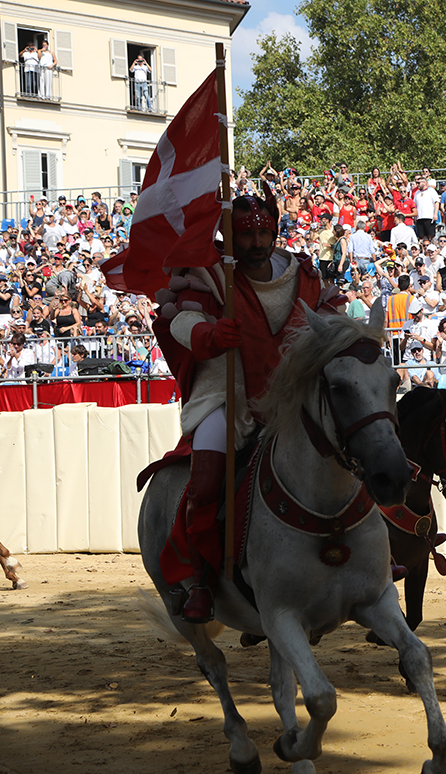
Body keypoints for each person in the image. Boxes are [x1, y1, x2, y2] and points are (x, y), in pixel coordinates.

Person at [151, 193, 337, 623]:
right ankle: (200, 578)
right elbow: (179, 318)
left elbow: (329, 310)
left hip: (292, 399)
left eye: (263, 231)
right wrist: (208, 335)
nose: (257, 241)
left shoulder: (302, 272)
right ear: (228, 234)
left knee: (354, 448)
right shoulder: (207, 273)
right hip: (225, 399)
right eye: (247, 233)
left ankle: (376, 554)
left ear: (274, 229)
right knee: (206, 483)